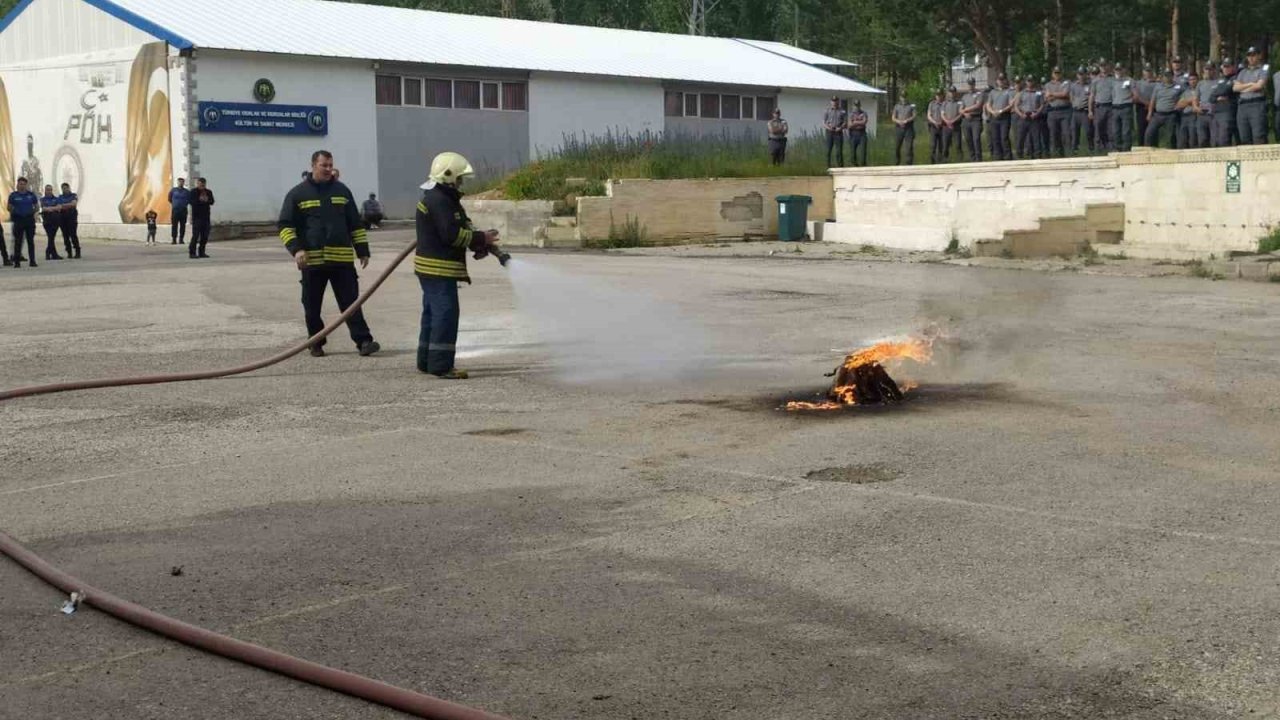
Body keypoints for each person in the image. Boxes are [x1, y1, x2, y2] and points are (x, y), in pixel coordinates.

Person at [278, 150, 380, 358]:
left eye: (330, 165)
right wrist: (296, 250)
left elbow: (355, 224)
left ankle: (364, 341)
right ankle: (316, 343)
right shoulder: (297, 194)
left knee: (351, 303)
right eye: (324, 165)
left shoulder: (342, 191)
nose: (328, 169)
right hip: (313, 262)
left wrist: (363, 250)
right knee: (312, 306)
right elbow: (285, 225)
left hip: (341, 260)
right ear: (313, 165)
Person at [414, 152, 499, 379]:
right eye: (459, 178)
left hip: (431, 269)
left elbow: (460, 224)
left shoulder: (440, 197)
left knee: (432, 314)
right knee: (445, 315)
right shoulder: (440, 201)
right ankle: (441, 365)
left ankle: (426, 361)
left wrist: (478, 241)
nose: (461, 182)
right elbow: (451, 235)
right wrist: (481, 239)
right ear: (448, 175)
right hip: (438, 269)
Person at [1233, 46, 1269, 145]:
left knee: (1259, 135)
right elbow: (1235, 88)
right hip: (1243, 106)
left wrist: (1243, 89)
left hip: (1256, 104)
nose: (1251, 58)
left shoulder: (1263, 69)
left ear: (1259, 56)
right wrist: (1250, 84)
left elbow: (1259, 85)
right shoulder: (1243, 72)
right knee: (1244, 136)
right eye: (1249, 55)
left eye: (1253, 55)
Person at [7, 177, 39, 268]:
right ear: (17, 185)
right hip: (18, 220)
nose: (22, 185)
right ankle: (17, 262)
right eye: (20, 184)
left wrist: (30, 212)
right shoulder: (13, 195)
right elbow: (9, 207)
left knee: (30, 241)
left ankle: (32, 261)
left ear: (26, 185)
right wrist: (16, 212)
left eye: (24, 184)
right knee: (18, 241)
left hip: (29, 220)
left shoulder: (31, 195)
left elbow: (36, 207)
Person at [1145, 69, 1181, 148]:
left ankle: (1172, 152)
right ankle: (1149, 150)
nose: (1167, 78)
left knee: (1171, 136)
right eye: (1165, 76)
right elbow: (1153, 100)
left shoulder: (1178, 86)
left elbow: (1183, 97)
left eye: (1169, 76)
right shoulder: (1158, 86)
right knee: (1149, 133)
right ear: (1163, 77)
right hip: (1158, 114)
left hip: (1171, 114)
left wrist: (1179, 105)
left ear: (1172, 76)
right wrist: (1149, 113)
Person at [985, 74, 1015, 161]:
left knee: (1004, 137)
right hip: (994, 117)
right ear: (997, 81)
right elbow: (988, 105)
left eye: (1002, 79)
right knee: (995, 137)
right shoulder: (993, 92)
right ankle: (998, 156)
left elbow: (1011, 104)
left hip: (1004, 116)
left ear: (1005, 80)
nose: (1001, 81)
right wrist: (992, 112)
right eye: (999, 80)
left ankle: (1008, 156)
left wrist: (1001, 111)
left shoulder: (1008, 91)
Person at [1210, 59, 1239, 147]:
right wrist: (1218, 96)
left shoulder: (1235, 78)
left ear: (1233, 67)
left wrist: (1218, 94)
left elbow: (1225, 90)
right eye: (1224, 67)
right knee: (1215, 141)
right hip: (1216, 113)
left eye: (1228, 66)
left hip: (1228, 112)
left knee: (1224, 140)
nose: (1225, 69)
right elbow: (1211, 98)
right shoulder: (1221, 80)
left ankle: (1228, 161)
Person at [1016, 77, 1045, 159]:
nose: (1030, 83)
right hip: (1024, 117)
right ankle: (1019, 156)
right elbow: (1016, 105)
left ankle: (1038, 156)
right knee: (1020, 138)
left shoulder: (1038, 93)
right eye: (1028, 81)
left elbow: (1042, 105)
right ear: (1026, 82)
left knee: (1036, 138)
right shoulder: (1021, 93)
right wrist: (1021, 114)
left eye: (1031, 81)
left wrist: (1037, 113)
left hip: (1034, 117)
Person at [1090, 60, 1115, 152]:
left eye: (1105, 65)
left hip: (1110, 106)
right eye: (1101, 66)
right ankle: (1098, 148)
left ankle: (1111, 147)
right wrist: (1090, 110)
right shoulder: (1095, 80)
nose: (1103, 67)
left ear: (1108, 66)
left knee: (1110, 128)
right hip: (1099, 107)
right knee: (1098, 127)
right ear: (1099, 67)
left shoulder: (1112, 79)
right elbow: (1092, 95)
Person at [959, 78, 985, 162]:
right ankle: (972, 157)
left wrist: (966, 110)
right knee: (968, 139)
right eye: (969, 84)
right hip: (966, 119)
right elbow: (960, 109)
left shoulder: (979, 94)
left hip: (976, 119)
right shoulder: (964, 96)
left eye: (972, 84)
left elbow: (978, 105)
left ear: (974, 84)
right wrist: (965, 113)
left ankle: (978, 158)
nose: (970, 86)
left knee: (976, 138)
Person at [1112, 64, 1136, 152]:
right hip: (1115, 107)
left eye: (1120, 69)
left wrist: (1129, 101)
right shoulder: (1112, 81)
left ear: (1123, 69)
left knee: (1126, 130)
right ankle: (1117, 148)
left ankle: (1126, 149)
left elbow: (1135, 94)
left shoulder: (1129, 80)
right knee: (1115, 130)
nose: (1118, 71)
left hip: (1126, 107)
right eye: (1116, 69)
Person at [189, 178, 214, 258]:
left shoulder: (208, 192)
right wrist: (200, 200)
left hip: (206, 217)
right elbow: (191, 202)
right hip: (197, 217)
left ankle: (201, 252)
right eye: (200, 184)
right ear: (197, 183)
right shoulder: (193, 192)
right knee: (195, 236)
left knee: (205, 236)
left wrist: (207, 200)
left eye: (203, 184)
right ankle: (192, 253)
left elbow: (212, 201)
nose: (202, 186)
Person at [1069, 67, 1092, 154]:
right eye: (1079, 74)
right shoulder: (1073, 85)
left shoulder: (1089, 85)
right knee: (1074, 131)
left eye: (1083, 74)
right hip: (1075, 112)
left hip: (1084, 111)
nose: (1081, 76)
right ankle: (1074, 149)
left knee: (1088, 131)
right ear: (1077, 75)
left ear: (1086, 74)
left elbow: (1091, 96)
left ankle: (1091, 147)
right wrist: (1075, 104)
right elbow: (1071, 97)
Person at [1176, 73, 1201, 149]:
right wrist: (1191, 101)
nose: (1192, 81)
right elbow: (1179, 105)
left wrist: (1186, 102)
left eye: (1194, 79)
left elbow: (1200, 102)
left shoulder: (1200, 89)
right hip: (1184, 116)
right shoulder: (1186, 92)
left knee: (1193, 140)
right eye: (1190, 80)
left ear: (1198, 80)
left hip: (1194, 116)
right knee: (1182, 141)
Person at [39, 185, 63, 260]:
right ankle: (51, 253)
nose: (49, 191)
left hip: (56, 220)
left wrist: (50, 208)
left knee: (51, 237)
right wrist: (53, 208)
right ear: (45, 191)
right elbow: (44, 209)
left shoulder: (56, 199)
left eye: (50, 190)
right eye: (47, 190)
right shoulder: (42, 199)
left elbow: (59, 207)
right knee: (51, 237)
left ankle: (51, 253)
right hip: (47, 221)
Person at [1197, 64, 1218, 148]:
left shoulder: (1218, 82)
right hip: (1201, 114)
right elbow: (1195, 98)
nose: (1208, 72)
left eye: (1210, 69)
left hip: (1213, 114)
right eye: (1206, 69)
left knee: (1214, 139)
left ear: (1214, 71)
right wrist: (1195, 107)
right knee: (1202, 140)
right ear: (1204, 71)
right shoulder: (1200, 83)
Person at [890, 93, 915, 165]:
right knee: (897, 147)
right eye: (902, 97)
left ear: (907, 97)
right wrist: (899, 121)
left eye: (905, 97)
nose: (904, 99)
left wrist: (907, 120)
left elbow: (914, 116)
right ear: (900, 97)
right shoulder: (897, 106)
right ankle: (897, 162)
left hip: (908, 128)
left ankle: (909, 163)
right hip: (899, 128)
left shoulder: (911, 106)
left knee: (909, 147)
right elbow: (893, 117)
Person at [1134, 66, 1156, 146]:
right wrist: (1147, 103)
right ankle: (1141, 147)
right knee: (1141, 129)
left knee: (1153, 129)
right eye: (1146, 71)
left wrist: (1152, 105)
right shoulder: (1138, 83)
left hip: (1154, 108)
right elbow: (1136, 97)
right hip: (1141, 108)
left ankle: (1153, 146)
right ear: (1143, 72)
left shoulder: (1157, 83)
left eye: (1149, 71)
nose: (1148, 73)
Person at [57, 183, 80, 258]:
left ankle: (77, 251)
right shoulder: (60, 197)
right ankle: (69, 252)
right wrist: (68, 205)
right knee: (65, 236)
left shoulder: (73, 195)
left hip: (72, 216)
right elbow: (59, 206)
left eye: (66, 188)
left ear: (69, 188)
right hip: (63, 217)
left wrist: (63, 205)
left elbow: (74, 204)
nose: (65, 189)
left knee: (73, 234)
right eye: (63, 188)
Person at [823, 96, 846, 167]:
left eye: (836, 101)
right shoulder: (827, 111)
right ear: (831, 102)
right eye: (833, 101)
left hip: (838, 132)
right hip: (829, 132)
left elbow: (845, 122)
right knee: (828, 151)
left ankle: (840, 167)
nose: (834, 102)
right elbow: (824, 122)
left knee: (838, 151)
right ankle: (828, 167)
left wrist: (840, 128)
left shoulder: (842, 111)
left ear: (838, 102)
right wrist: (828, 128)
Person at [941, 87, 962, 161]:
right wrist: (947, 121)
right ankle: (945, 160)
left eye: (953, 92)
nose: (952, 93)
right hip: (946, 127)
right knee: (945, 145)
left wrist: (953, 121)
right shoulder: (944, 103)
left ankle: (960, 160)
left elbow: (960, 114)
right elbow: (942, 114)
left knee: (958, 145)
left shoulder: (959, 102)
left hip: (956, 126)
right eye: (950, 92)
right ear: (948, 93)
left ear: (955, 93)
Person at [846, 100, 869, 167]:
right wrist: (859, 122)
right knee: (853, 152)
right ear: (853, 106)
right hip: (853, 133)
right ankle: (854, 165)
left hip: (862, 133)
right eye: (855, 106)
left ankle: (863, 165)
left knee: (863, 152)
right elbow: (849, 125)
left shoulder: (864, 113)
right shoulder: (851, 114)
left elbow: (864, 122)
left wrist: (855, 122)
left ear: (860, 106)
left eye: (858, 105)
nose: (856, 107)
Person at [168, 178, 190, 245]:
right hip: (175, 210)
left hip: (183, 210)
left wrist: (184, 204)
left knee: (183, 225)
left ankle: (181, 239)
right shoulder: (173, 190)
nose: (181, 183)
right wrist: (175, 204)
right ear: (177, 182)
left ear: (184, 183)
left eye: (182, 182)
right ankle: (174, 239)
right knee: (174, 225)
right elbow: (169, 199)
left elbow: (189, 199)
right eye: (179, 182)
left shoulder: (186, 191)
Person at [926, 90, 945, 164]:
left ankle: (941, 162)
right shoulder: (931, 104)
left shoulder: (944, 103)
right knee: (933, 145)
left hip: (942, 126)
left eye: (940, 95)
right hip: (933, 126)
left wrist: (941, 122)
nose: (938, 96)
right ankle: (932, 162)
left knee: (941, 145)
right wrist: (935, 122)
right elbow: (929, 115)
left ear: (942, 95)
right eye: (937, 95)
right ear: (935, 96)